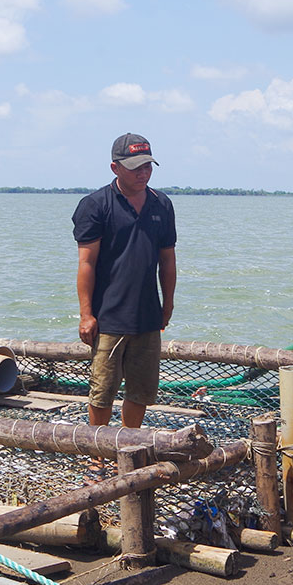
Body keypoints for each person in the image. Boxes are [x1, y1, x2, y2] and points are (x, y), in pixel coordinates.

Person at [72, 132, 177, 429]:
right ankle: (97, 454)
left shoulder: (162, 204)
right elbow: (86, 263)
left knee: (141, 390)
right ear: (115, 168)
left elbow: (167, 260)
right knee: (102, 390)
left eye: (148, 166)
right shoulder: (95, 205)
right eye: (136, 167)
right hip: (108, 317)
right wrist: (86, 315)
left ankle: (129, 445)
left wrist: (167, 303)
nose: (143, 173)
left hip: (147, 314)